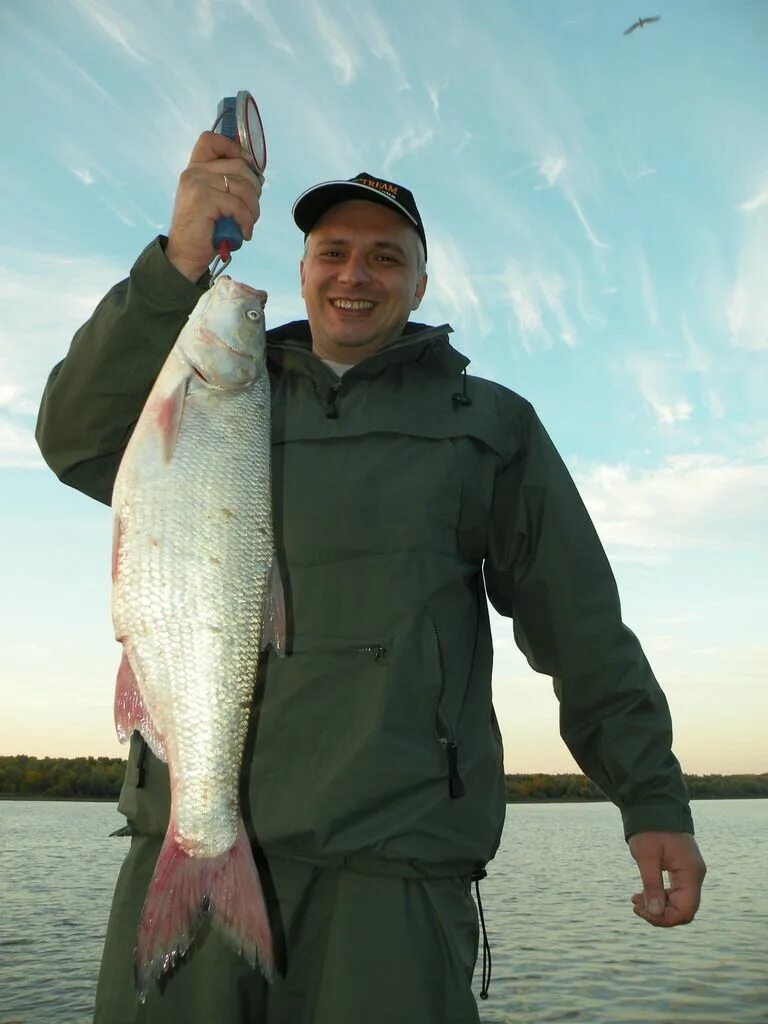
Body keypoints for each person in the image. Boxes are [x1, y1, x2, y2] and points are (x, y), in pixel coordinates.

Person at [36, 132, 706, 1024]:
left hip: (394, 871)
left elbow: (580, 626)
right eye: (334, 252)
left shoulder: (490, 425)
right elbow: (77, 439)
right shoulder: (204, 398)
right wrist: (178, 263)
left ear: (421, 284)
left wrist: (649, 794)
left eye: (387, 257)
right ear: (305, 267)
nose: (356, 274)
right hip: (185, 845)